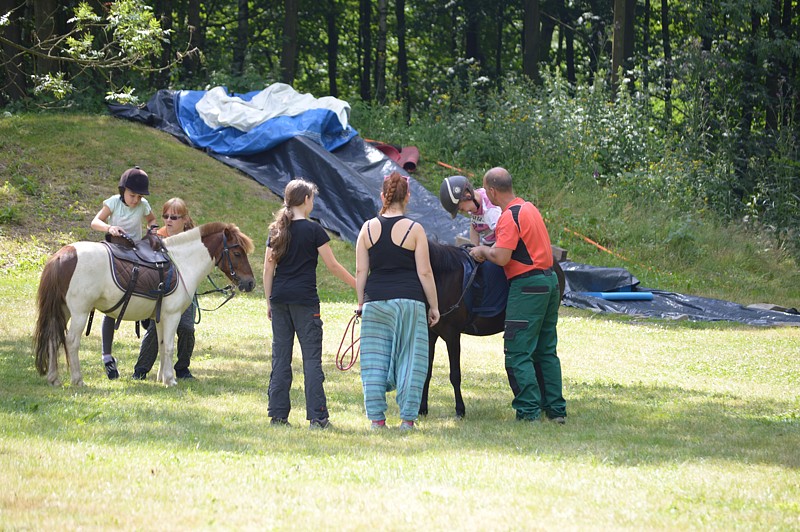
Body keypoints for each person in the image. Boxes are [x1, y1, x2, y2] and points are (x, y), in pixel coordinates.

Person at [469, 167, 566, 424]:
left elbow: (501, 257)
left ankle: (528, 412)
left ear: (491, 191)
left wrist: (482, 250)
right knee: (546, 350)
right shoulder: (529, 208)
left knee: (517, 351)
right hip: (550, 282)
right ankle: (556, 410)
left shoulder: (508, 217)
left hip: (527, 287)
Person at [263, 178, 356, 430]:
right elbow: (333, 266)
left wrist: (269, 301)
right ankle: (318, 417)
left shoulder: (276, 230)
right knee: (311, 360)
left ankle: (278, 416)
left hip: (280, 299)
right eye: (312, 198)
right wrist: (358, 284)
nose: (313, 202)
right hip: (305, 302)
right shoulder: (314, 230)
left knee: (280, 358)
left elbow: (268, 268)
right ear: (306, 200)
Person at [356, 172, 440, 431]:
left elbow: (361, 272)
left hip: (375, 302)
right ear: (408, 197)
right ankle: (407, 420)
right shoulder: (415, 230)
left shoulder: (367, 228)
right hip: (409, 302)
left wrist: (361, 303)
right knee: (412, 359)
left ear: (383, 196)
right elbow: (425, 272)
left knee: (373, 361)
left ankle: (377, 420)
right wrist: (434, 306)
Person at [90, 166, 157, 379]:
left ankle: (147, 312)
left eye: (138, 196)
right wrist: (109, 228)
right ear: (122, 191)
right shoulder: (112, 202)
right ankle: (107, 356)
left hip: (135, 250)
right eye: (132, 195)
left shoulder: (143, 205)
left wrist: (152, 230)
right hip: (114, 248)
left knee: (152, 274)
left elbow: (152, 221)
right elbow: (95, 222)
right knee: (111, 306)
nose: (135, 200)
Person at [132, 198, 197, 381]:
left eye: (174, 217)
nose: (168, 220)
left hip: (184, 291)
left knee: (186, 328)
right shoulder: (158, 237)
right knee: (155, 329)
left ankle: (182, 368)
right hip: (160, 293)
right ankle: (141, 370)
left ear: (184, 219)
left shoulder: (192, 239)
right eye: (166, 216)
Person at [439, 175, 501, 246]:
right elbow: (474, 226)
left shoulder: (491, 211)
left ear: (468, 196)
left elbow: (504, 237)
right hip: (488, 243)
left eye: (461, 209)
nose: (462, 212)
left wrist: (488, 253)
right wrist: (474, 247)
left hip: (501, 245)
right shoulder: (473, 205)